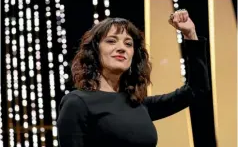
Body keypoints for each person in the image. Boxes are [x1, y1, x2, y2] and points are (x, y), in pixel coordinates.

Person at [56, 9, 210, 147]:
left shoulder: (137, 103)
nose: (122, 48)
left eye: (128, 44)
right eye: (111, 41)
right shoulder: (77, 102)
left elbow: (197, 90)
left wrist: (190, 34)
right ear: (95, 51)